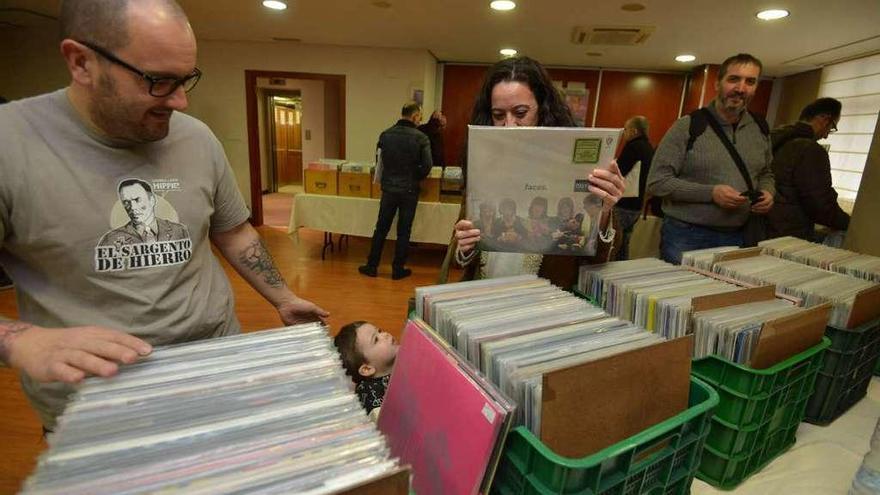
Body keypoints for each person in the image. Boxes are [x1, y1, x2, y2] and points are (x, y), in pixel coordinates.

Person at [0, 0, 328, 431]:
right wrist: (22, 341)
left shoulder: (197, 138)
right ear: (81, 62)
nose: (181, 101)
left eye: (186, 78)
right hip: (99, 404)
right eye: (158, 81)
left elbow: (233, 231)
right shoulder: (10, 144)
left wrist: (283, 298)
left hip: (217, 368)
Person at [444, 56, 626, 288]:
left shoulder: (573, 168)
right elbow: (462, 254)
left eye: (520, 113)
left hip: (546, 306)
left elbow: (599, 260)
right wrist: (465, 246)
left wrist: (605, 210)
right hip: (484, 299)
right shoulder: (483, 164)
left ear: (542, 109)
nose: (509, 125)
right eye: (499, 115)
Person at [647, 53, 775, 264]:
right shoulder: (687, 126)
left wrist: (768, 192)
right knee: (682, 295)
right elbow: (657, 182)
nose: (741, 88)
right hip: (687, 236)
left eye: (750, 82)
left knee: (724, 297)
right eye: (734, 79)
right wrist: (710, 193)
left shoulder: (760, 128)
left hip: (740, 235)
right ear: (718, 83)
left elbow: (766, 172)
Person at [359, 102, 433, 280]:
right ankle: (397, 269)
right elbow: (427, 166)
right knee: (404, 231)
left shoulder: (385, 135)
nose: (419, 120)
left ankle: (372, 266)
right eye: (419, 117)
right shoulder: (421, 138)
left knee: (381, 228)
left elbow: (379, 163)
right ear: (415, 116)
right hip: (409, 190)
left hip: (389, 189)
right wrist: (415, 177)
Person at [767, 97, 849, 241]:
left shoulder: (774, 139)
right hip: (788, 234)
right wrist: (850, 224)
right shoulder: (810, 150)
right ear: (824, 120)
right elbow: (819, 203)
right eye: (831, 128)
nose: (826, 135)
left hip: (762, 226)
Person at [334, 321, 399, 419]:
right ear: (367, 369)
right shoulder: (377, 408)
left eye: (380, 331)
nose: (385, 334)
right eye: (376, 340)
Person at [614, 115, 658, 260]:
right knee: (625, 241)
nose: (624, 132)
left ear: (633, 131)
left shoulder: (632, 147)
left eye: (625, 129)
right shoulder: (649, 148)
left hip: (623, 203)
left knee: (614, 242)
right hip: (637, 205)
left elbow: (619, 171)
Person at [98, 178, 189, 248]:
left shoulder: (179, 231)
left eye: (137, 200)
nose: (133, 207)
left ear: (152, 200)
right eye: (126, 202)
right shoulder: (110, 240)